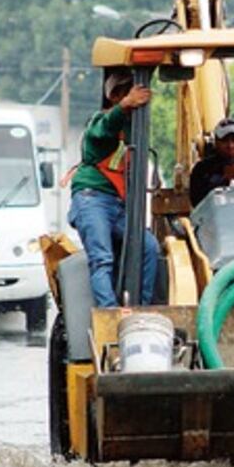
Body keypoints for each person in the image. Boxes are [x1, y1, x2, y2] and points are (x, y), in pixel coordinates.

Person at [65, 68, 159, 307]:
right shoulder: (99, 123)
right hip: (92, 199)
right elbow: (106, 125)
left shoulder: (133, 130)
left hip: (117, 205)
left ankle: (142, 307)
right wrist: (126, 106)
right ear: (115, 96)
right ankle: (110, 313)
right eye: (128, 90)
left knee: (149, 247)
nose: (134, 94)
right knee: (102, 259)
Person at [189, 117, 234, 206]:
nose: (230, 145)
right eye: (225, 140)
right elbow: (197, 201)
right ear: (216, 142)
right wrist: (225, 178)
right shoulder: (202, 168)